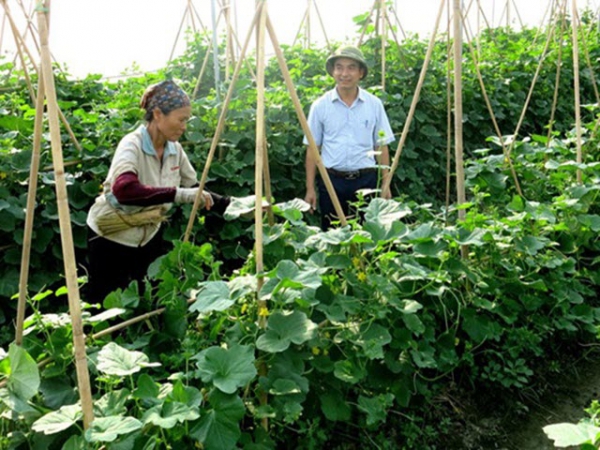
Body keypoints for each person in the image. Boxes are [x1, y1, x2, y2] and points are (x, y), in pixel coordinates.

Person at [86, 79, 229, 303]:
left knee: (148, 298)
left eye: (186, 120)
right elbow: (125, 189)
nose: (184, 127)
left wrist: (239, 206)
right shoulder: (131, 144)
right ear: (158, 114)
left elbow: (196, 190)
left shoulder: (175, 150)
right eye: (181, 119)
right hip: (111, 236)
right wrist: (178, 194)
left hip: (148, 233)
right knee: (107, 304)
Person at [304, 45, 395, 230]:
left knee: (368, 234)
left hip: (367, 180)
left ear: (361, 72)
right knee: (332, 234)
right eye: (339, 67)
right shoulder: (320, 106)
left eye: (351, 67)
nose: (344, 73)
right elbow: (313, 149)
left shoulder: (374, 104)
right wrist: (310, 188)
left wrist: (385, 184)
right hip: (331, 181)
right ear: (332, 72)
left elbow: (382, 146)